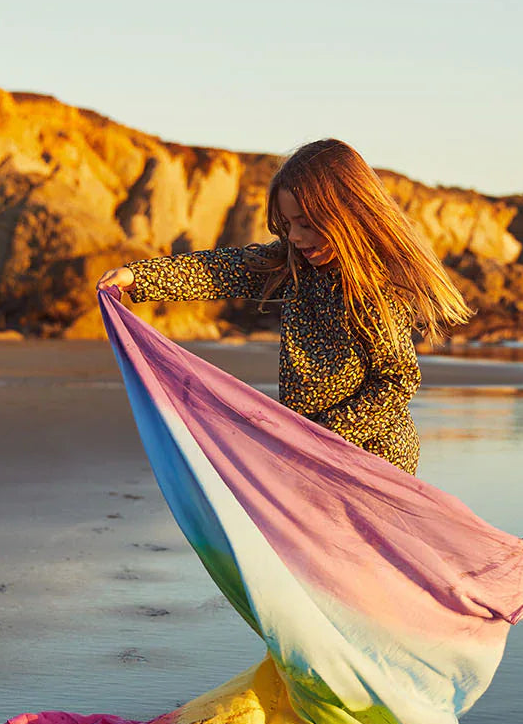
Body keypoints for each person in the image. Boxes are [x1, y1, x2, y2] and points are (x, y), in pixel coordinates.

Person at [97, 138, 471, 474]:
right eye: (289, 224)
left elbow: (397, 379)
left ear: (346, 216)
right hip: (312, 448)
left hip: (373, 459)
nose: (294, 236)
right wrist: (138, 276)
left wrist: (326, 433)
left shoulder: (372, 292)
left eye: (305, 224)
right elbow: (226, 269)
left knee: (344, 551)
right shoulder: (298, 264)